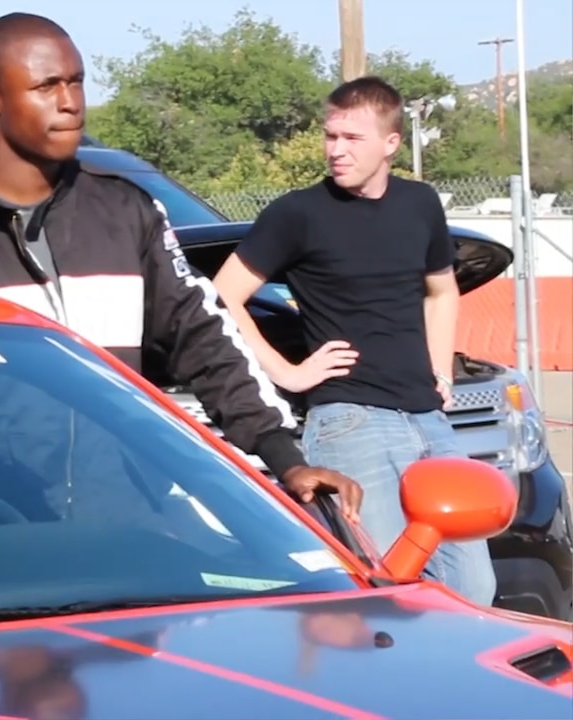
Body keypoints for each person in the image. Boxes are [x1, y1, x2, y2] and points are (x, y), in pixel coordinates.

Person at [0, 12, 361, 518]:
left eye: (76, 81)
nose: (70, 102)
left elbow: (205, 340)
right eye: (46, 86)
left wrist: (285, 457)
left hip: (128, 526)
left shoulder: (128, 212)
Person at [210, 76, 496, 606]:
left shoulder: (419, 203)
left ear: (391, 143)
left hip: (428, 420)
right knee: (387, 589)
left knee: (474, 588)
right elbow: (221, 296)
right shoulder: (297, 213)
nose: (336, 150)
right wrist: (284, 371)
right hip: (350, 422)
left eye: (352, 138)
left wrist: (439, 371)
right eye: (330, 136)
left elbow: (441, 290)